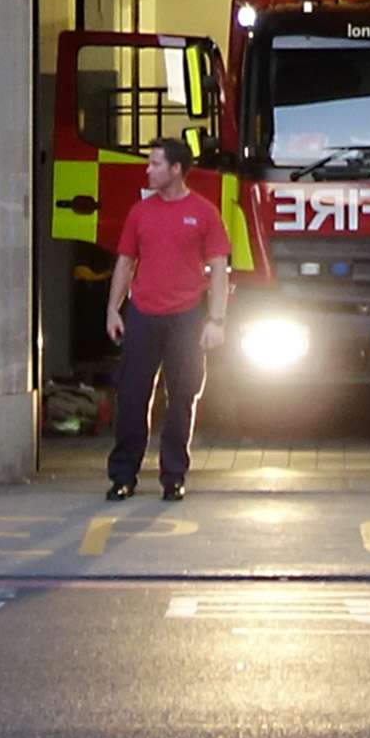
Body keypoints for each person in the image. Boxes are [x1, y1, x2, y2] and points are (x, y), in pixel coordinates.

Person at [102, 139, 235, 503]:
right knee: (131, 397)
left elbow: (220, 269)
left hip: (187, 317)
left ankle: (173, 476)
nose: (148, 170)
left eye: (155, 164)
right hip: (143, 313)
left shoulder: (205, 213)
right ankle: (123, 475)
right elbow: (126, 262)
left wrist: (217, 320)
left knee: (182, 397)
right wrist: (114, 309)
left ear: (176, 169)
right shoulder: (140, 212)